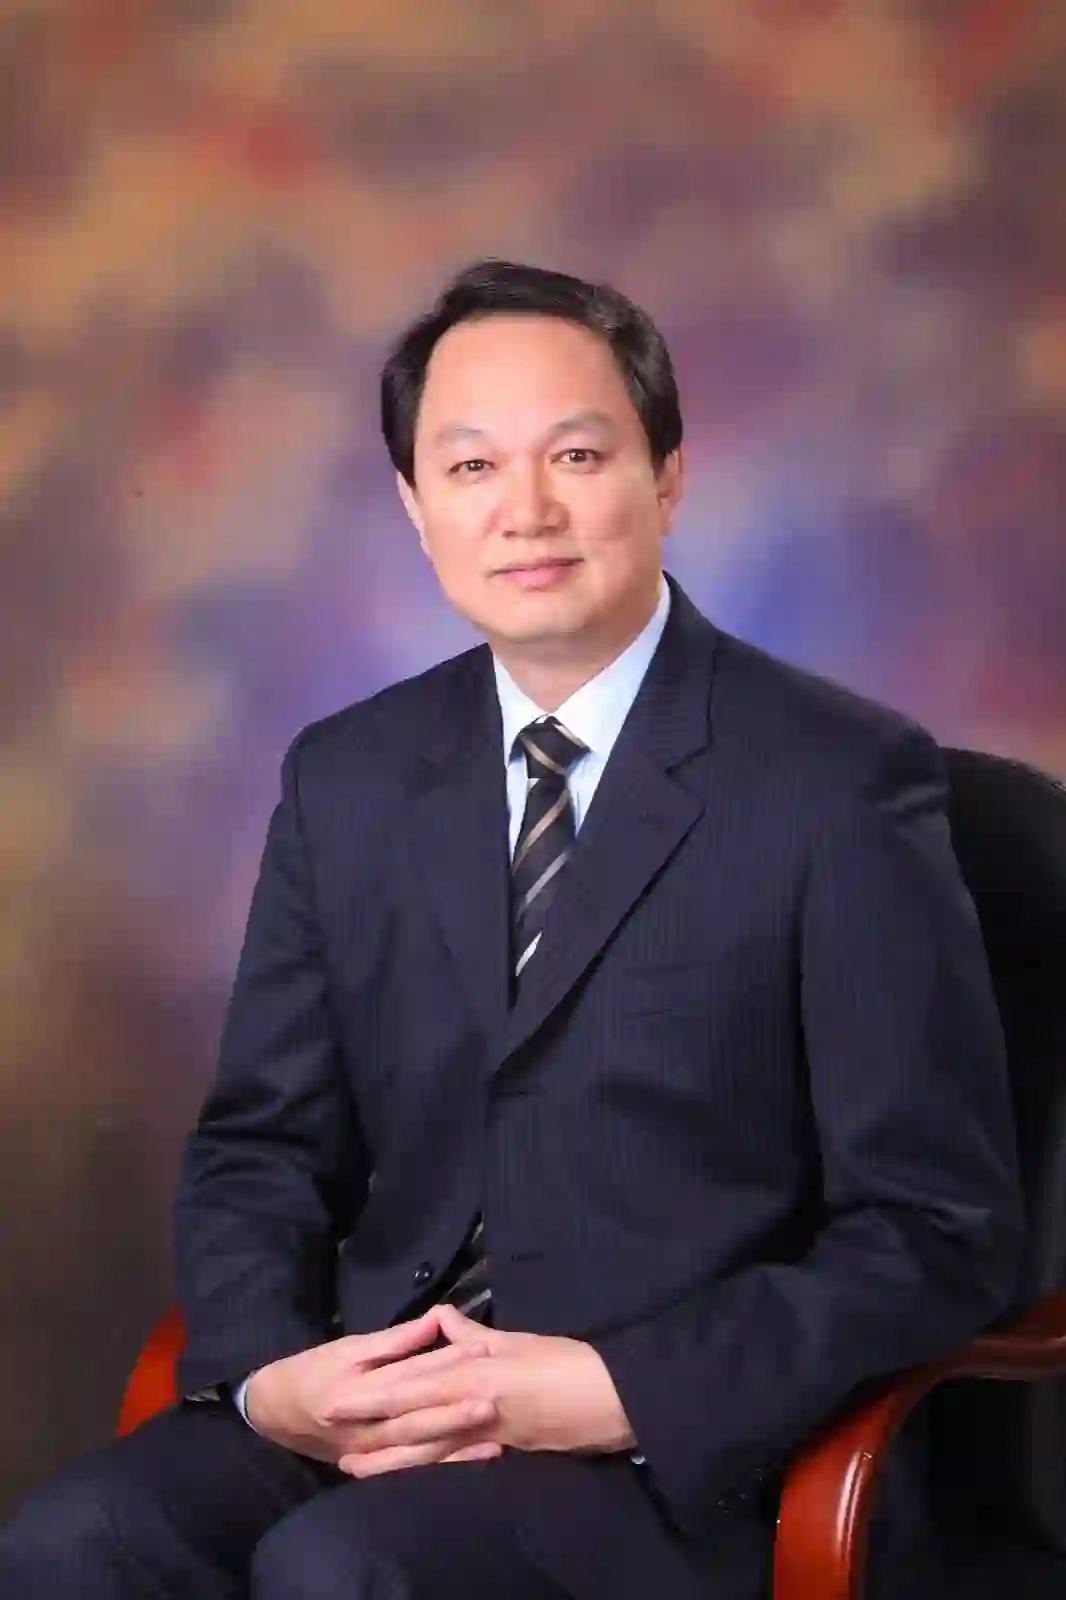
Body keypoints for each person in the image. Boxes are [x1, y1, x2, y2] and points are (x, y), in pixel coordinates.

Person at [0, 259, 1024, 1598]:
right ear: (415, 506)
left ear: (666, 475)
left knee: (342, 1571)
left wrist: (616, 1390)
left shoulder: (833, 783)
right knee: (70, 1545)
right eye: (471, 467)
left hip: (682, 1453)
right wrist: (273, 1377)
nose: (524, 510)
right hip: (381, 1393)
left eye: (578, 455)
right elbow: (263, 1146)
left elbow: (937, 1226)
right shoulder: (350, 776)